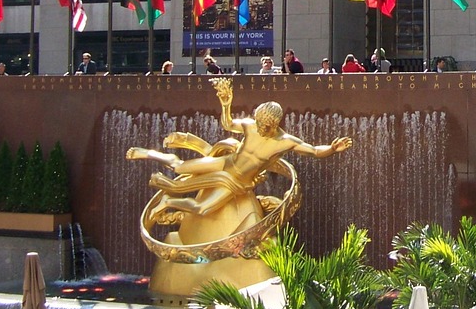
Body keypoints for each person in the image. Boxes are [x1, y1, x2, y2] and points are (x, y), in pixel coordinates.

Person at [127, 77, 352, 220]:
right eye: (259, 123)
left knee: (202, 209)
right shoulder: (250, 125)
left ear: (275, 124)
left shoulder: (285, 141)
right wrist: (226, 105)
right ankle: (150, 153)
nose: (260, 128)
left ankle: (168, 202)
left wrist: (332, 149)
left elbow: (313, 151)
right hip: (225, 163)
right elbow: (227, 124)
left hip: (238, 181)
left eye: (265, 126)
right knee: (179, 168)